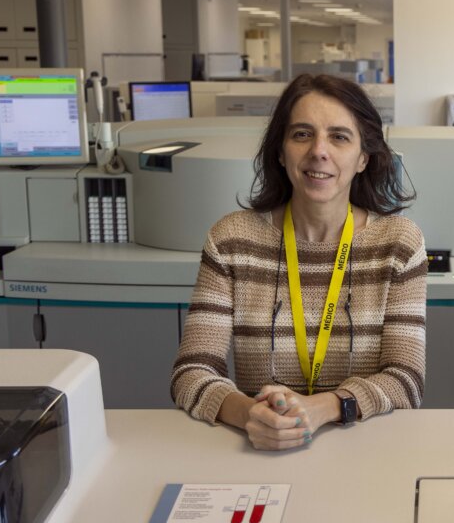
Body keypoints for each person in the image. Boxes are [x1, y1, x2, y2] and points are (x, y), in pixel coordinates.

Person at [172, 74, 427, 450]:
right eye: (302, 134)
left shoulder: (398, 244)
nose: (319, 151)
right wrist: (248, 414)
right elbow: (191, 373)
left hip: (367, 451)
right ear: (280, 151)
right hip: (261, 446)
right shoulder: (232, 240)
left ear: (363, 158)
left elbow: (406, 379)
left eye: (339, 136)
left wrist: (322, 408)